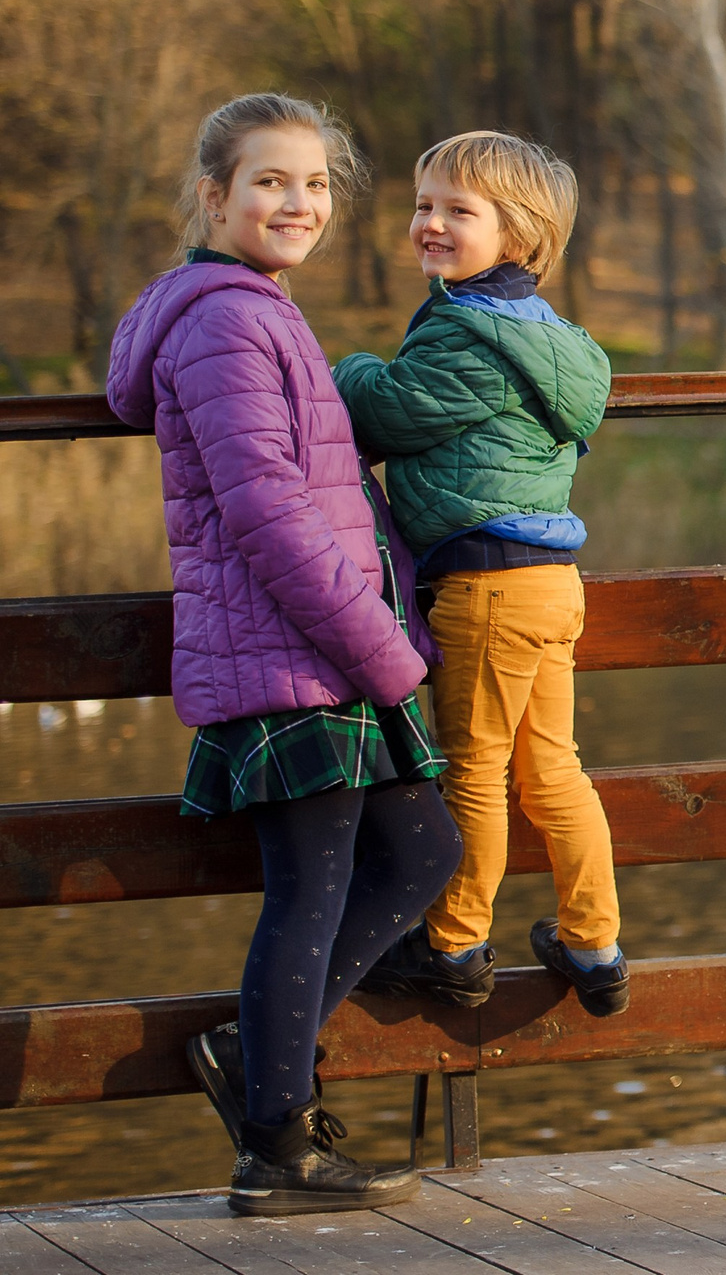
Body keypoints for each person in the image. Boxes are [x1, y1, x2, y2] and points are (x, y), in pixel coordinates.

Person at [107, 94, 458, 1216]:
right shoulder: (223, 321)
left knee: (418, 856)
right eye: (270, 182)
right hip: (296, 655)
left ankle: (254, 1054)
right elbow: (268, 512)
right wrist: (387, 651)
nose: (298, 203)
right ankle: (276, 1143)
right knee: (312, 889)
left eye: (314, 184)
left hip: (326, 646)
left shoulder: (260, 306)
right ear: (215, 195)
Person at [337, 132, 627, 1018]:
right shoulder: (553, 338)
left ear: (521, 235)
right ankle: (594, 944)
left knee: (475, 768)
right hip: (549, 583)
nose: (430, 223)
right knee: (552, 770)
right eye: (423, 204)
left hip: (486, 586)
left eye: (458, 210)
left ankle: (455, 943)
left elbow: (382, 413)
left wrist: (347, 366)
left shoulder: (469, 341)